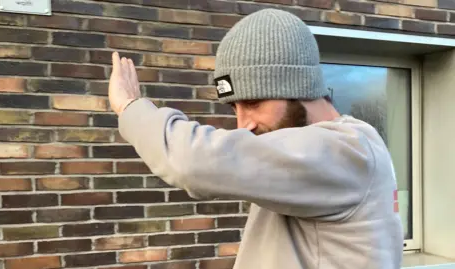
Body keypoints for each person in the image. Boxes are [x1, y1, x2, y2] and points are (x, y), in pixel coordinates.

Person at [108, 8, 404, 269]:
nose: (242, 124)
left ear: (298, 86)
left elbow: (193, 162)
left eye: (253, 102)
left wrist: (129, 108)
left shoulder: (347, 150)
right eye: (234, 107)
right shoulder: (311, 154)